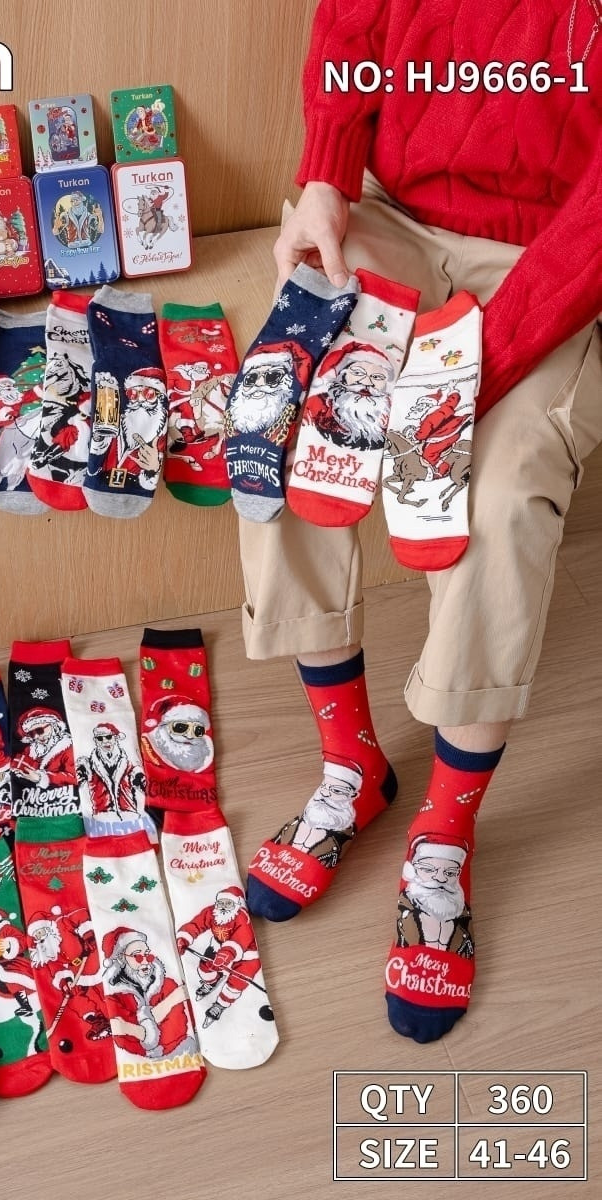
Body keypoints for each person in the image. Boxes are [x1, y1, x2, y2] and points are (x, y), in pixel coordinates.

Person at [243, 0, 601, 1043]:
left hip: (557, 259)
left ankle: (443, 836)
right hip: (395, 216)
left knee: (501, 497)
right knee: (285, 420)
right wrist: (324, 177)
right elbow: (354, 27)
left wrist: (471, 373)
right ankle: (352, 767)